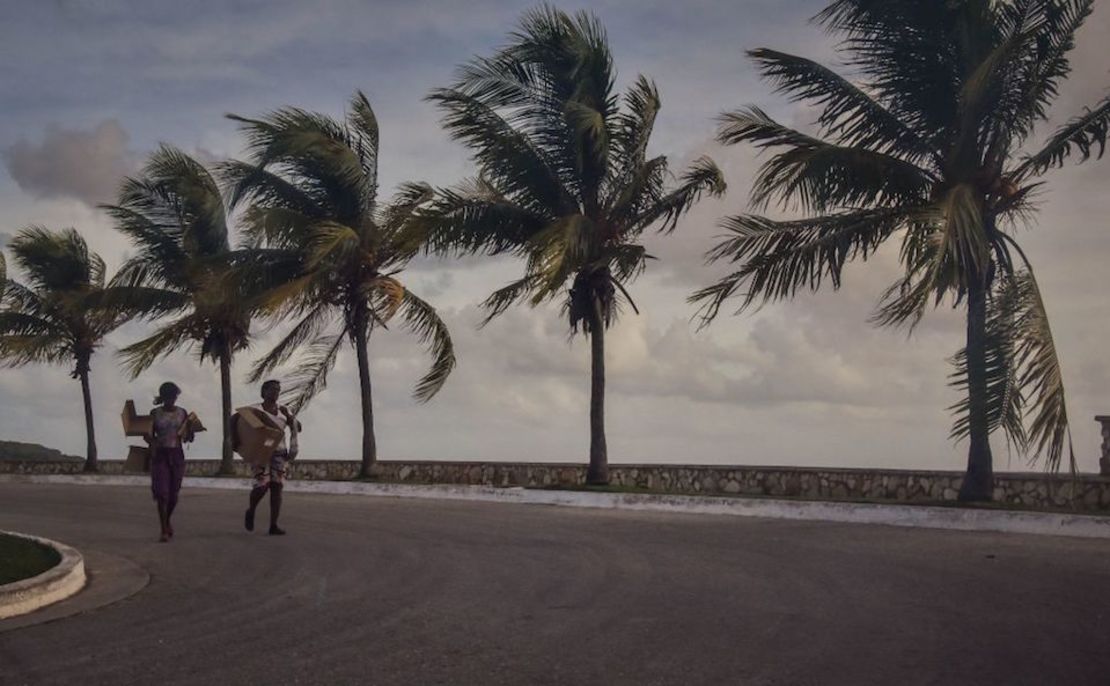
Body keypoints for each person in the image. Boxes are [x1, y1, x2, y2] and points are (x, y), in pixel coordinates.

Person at [243, 380, 301, 536]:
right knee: (262, 486)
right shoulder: (255, 410)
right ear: (264, 391)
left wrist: (293, 421)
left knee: (277, 488)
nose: (276, 393)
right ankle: (251, 510)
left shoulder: (283, 411)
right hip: (261, 452)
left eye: (278, 390)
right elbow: (244, 427)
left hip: (279, 453)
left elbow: (296, 426)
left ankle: (273, 525)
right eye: (272, 389)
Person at [146, 382, 194, 542]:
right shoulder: (155, 413)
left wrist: (191, 431)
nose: (171, 400)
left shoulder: (183, 413)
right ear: (163, 397)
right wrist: (152, 442)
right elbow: (147, 434)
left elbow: (188, 437)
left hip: (177, 454)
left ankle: (167, 521)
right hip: (160, 455)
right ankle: (163, 529)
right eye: (168, 397)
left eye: (174, 397)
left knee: (174, 494)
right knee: (162, 494)